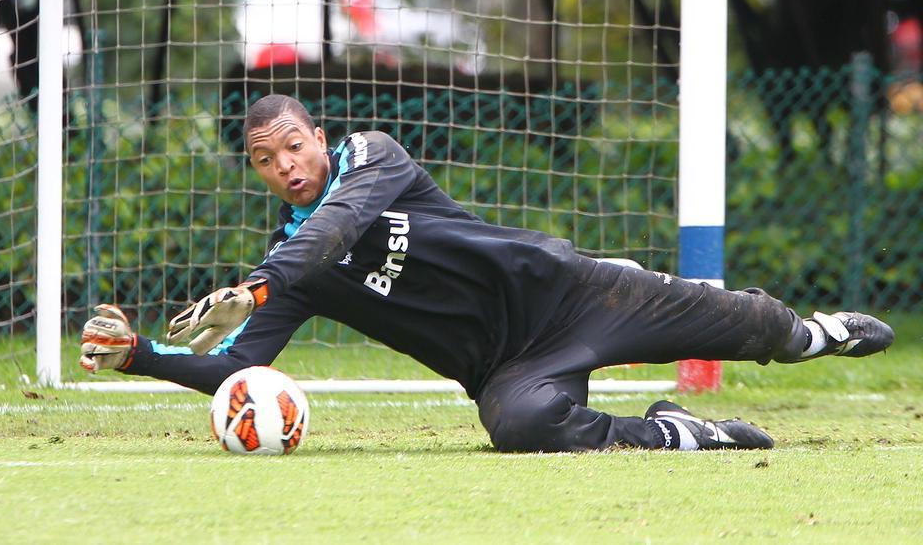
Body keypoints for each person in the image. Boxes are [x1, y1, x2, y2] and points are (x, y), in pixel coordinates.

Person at [79, 95, 895, 452]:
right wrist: (140, 355)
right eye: (266, 160)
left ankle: (814, 334)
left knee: (749, 326)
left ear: (317, 137)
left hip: (569, 291)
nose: (287, 165)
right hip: (509, 369)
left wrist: (255, 285)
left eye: (294, 145)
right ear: (255, 172)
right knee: (522, 430)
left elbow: (335, 229)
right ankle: (680, 431)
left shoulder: (373, 158)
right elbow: (238, 370)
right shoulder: (288, 269)